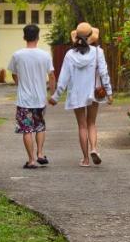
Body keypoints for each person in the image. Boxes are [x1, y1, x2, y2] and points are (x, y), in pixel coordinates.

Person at [49, 21, 112, 167]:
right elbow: (103, 73)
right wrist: (109, 92)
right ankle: (94, 148)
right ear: (92, 37)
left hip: (77, 94)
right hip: (94, 92)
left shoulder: (70, 54)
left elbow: (63, 78)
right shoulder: (98, 52)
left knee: (82, 126)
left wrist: (55, 97)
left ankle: (85, 159)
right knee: (92, 123)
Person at [8, 23, 54, 169]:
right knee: (40, 126)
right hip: (40, 99)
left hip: (24, 100)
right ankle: (40, 153)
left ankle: (31, 160)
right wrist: (52, 93)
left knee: (26, 129)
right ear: (38, 37)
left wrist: (20, 85)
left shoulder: (17, 55)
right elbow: (51, 75)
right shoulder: (45, 55)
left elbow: (14, 74)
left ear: (24, 37)